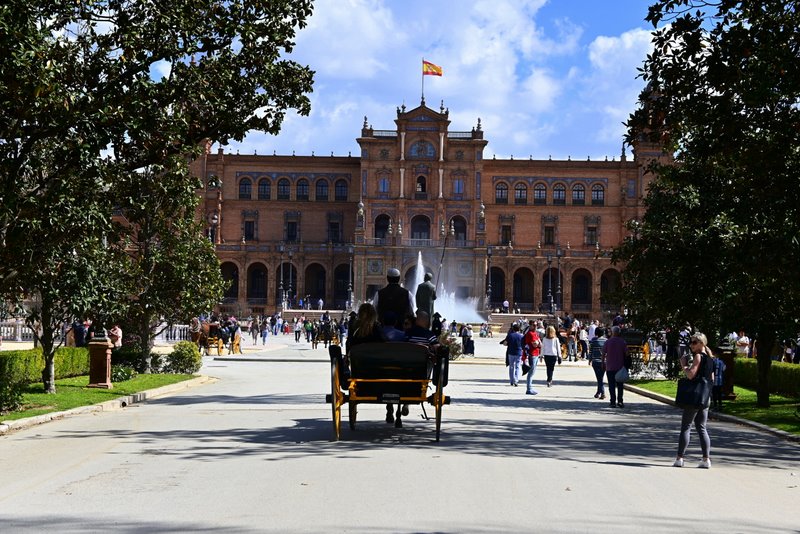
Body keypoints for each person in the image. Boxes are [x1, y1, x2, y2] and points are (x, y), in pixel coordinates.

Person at [674, 332, 714, 469]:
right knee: (702, 427)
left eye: (694, 342)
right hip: (705, 397)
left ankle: (679, 458)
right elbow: (711, 379)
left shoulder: (698, 356)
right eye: (691, 342)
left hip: (694, 397)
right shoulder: (710, 359)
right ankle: (706, 459)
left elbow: (691, 375)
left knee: (686, 426)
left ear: (702, 343)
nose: (691, 345)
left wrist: (684, 365)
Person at [602, 325, 629, 408]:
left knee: (611, 385)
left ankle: (612, 401)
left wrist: (602, 363)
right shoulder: (622, 342)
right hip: (620, 367)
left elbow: (603, 353)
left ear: (612, 333)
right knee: (620, 385)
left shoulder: (608, 342)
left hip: (610, 366)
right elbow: (627, 353)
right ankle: (620, 401)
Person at [501, 323, 524, 387]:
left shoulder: (510, 335)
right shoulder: (521, 336)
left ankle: (511, 381)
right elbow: (523, 344)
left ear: (513, 329)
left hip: (511, 352)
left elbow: (505, 343)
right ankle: (516, 380)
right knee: (517, 366)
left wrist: (508, 344)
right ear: (519, 329)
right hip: (519, 352)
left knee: (511, 367)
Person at [522, 320, 542, 395]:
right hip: (532, 354)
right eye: (534, 325)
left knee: (533, 372)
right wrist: (538, 343)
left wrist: (538, 343)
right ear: (530, 325)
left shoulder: (535, 333)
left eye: (536, 325)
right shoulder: (530, 334)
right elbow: (535, 344)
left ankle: (530, 388)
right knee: (531, 372)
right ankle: (529, 388)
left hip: (536, 354)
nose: (535, 326)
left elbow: (540, 344)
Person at [588, 327, 607, 400]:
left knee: (599, 378)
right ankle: (598, 392)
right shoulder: (606, 341)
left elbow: (590, 351)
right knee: (600, 377)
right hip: (604, 361)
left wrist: (589, 360)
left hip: (595, 361)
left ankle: (603, 393)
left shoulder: (594, 341)